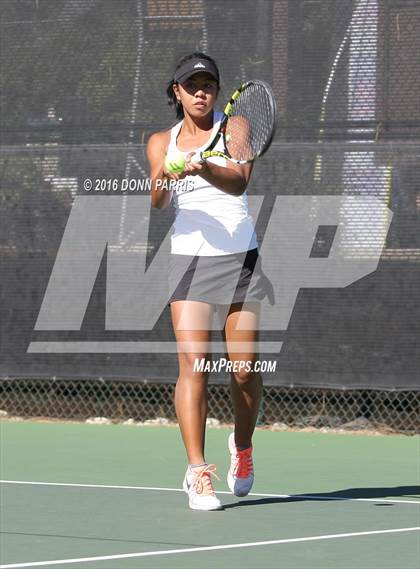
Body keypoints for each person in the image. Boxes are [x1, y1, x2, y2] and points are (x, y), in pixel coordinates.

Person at [147, 52, 269, 511]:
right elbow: (158, 201)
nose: (201, 92)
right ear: (176, 92)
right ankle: (197, 471)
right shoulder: (161, 140)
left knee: (243, 370)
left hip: (240, 258)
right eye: (191, 85)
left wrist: (205, 167)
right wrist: (168, 171)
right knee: (194, 364)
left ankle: (242, 447)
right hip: (189, 261)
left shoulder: (234, 129)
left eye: (209, 84)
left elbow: (238, 182)